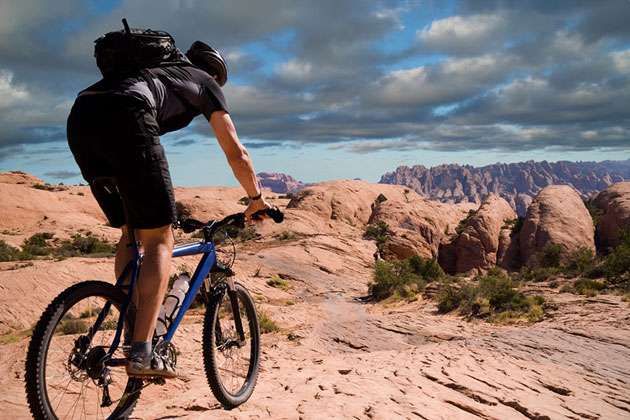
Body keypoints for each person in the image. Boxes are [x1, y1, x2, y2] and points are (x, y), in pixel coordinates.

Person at [67, 41, 271, 378]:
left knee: (130, 234)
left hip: (81, 118)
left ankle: (134, 319)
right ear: (216, 75)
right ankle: (142, 352)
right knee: (160, 239)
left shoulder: (154, 72)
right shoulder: (205, 82)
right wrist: (255, 198)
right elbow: (237, 153)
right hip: (126, 115)